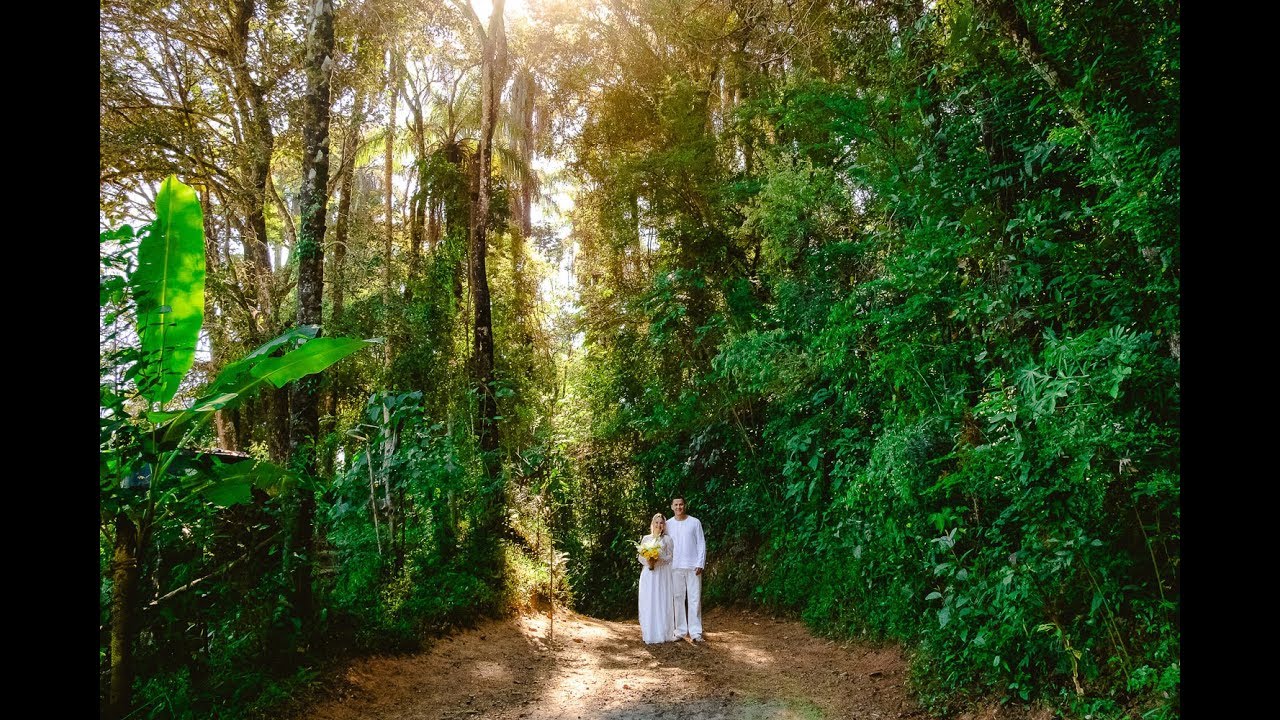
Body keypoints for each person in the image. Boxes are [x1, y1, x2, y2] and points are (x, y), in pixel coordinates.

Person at [666, 496, 706, 643]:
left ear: (685, 505)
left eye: (681, 504)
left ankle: (696, 632)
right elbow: (664, 544)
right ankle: (680, 631)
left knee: (694, 599)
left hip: (693, 566)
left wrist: (700, 563)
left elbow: (701, 543)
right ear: (672, 507)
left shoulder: (695, 522)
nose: (679, 507)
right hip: (675, 566)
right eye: (676, 505)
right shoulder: (668, 524)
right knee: (678, 599)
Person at [637, 513, 676, 644]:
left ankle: (663, 632)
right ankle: (649, 632)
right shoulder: (646, 539)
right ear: (652, 524)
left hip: (662, 574)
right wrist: (649, 561)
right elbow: (640, 557)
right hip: (648, 573)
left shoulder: (667, 540)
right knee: (649, 600)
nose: (659, 525)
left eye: (661, 523)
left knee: (661, 600)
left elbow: (670, 557)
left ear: (664, 525)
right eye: (656, 522)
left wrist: (658, 559)